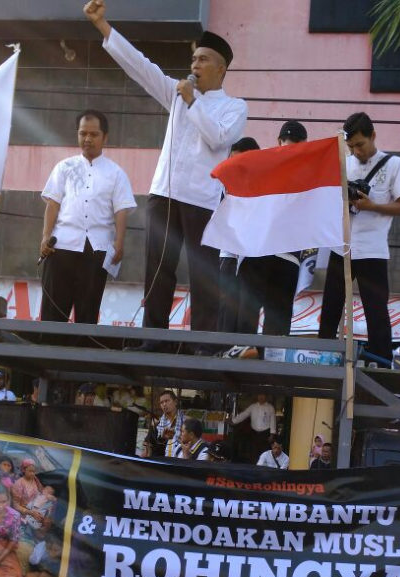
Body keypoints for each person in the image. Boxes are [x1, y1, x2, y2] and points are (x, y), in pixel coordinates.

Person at [85, 0, 247, 350]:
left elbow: (219, 137)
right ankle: (153, 339)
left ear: (220, 69)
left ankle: (204, 343)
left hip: (202, 200)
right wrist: (103, 26)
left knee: (203, 275)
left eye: (202, 59)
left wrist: (192, 102)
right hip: (163, 195)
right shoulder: (176, 94)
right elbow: (140, 67)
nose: (194, 65)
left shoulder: (234, 107)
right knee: (158, 271)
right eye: (193, 60)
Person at [317, 112, 400, 368]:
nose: (357, 151)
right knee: (330, 308)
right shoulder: (342, 164)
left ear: (373, 136)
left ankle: (381, 362)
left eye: (361, 144)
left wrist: (371, 206)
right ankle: (322, 358)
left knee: (376, 310)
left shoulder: (394, 165)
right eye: (351, 147)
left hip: (373, 249)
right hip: (342, 246)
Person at [39, 110, 136, 326]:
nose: (87, 139)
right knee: (53, 313)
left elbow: (121, 209)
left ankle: (82, 357)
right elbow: (53, 203)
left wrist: (119, 243)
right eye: (83, 133)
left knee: (87, 313)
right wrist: (46, 235)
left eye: (94, 134)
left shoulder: (116, 173)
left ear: (105, 137)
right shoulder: (64, 167)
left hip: (97, 249)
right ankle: (48, 357)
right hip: (61, 246)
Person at [232, 121, 311, 348]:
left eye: (297, 144)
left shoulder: (311, 173)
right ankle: (239, 365)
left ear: (305, 145)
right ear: (279, 141)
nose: (292, 148)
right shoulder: (262, 163)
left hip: (288, 256)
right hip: (258, 250)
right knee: (246, 312)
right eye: (288, 143)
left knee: (278, 320)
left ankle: (271, 371)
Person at [216, 137, 261, 340]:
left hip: (253, 254)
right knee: (227, 303)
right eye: (232, 161)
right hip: (228, 252)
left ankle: (243, 349)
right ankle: (222, 349)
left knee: (247, 306)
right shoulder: (223, 185)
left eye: (240, 161)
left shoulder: (264, 184)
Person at [232, 393, 276, 462]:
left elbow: (272, 421)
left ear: (266, 396)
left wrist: (272, 434)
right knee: (253, 452)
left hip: (265, 433)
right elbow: (244, 414)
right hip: (254, 433)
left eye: (263, 395)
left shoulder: (270, 408)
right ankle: (254, 467)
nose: (261, 397)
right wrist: (234, 421)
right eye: (259, 395)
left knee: (265, 452)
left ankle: (263, 468)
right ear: (257, 396)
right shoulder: (253, 407)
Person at [11, 459, 45, 536]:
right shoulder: (19, 484)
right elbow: (15, 505)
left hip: (36, 508)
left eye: (34, 471)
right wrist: (30, 512)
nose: (32, 474)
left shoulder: (35, 479)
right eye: (30, 471)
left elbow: (41, 491)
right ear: (23, 470)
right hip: (24, 512)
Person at [152, 390, 183, 457]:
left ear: (175, 402)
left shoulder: (185, 421)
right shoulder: (158, 425)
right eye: (161, 402)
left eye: (167, 401)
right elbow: (155, 450)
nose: (164, 404)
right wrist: (163, 438)